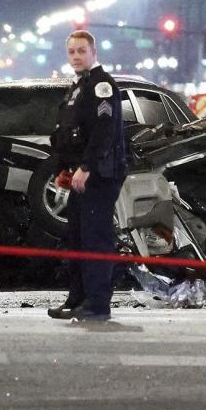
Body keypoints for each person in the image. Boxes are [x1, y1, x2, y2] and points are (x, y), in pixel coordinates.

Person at [47, 30, 127, 322]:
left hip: (101, 175)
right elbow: (68, 133)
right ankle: (78, 299)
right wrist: (63, 170)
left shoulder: (101, 85)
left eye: (81, 51)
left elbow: (103, 132)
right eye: (72, 52)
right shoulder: (78, 86)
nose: (76, 57)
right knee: (78, 239)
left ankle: (97, 304)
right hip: (82, 175)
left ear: (94, 52)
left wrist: (87, 167)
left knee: (96, 239)